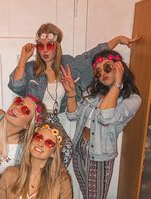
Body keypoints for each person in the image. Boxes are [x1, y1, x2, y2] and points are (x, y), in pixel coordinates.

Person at [8, 22, 138, 168]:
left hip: (53, 119)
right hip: (33, 119)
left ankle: (54, 182)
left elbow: (90, 57)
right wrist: (23, 59)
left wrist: (118, 39)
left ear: (57, 45)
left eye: (49, 45)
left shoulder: (68, 63)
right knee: (24, 152)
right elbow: (16, 85)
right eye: (40, 45)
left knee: (66, 148)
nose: (44, 50)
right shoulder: (31, 68)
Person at [64, 49, 141, 199]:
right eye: (99, 70)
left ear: (120, 67)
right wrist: (70, 94)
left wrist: (117, 83)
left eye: (108, 67)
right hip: (81, 150)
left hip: (100, 156)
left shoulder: (131, 98)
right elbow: (73, 115)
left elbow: (107, 116)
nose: (101, 74)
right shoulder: (92, 91)